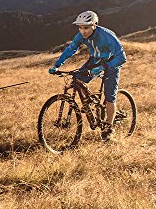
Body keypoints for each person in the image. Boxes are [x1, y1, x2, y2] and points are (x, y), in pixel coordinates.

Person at [48, 11, 126, 141]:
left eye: (86, 27)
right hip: (94, 60)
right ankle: (88, 103)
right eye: (80, 27)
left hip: (111, 63)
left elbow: (122, 57)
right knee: (77, 79)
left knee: (109, 97)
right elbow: (71, 49)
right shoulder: (81, 35)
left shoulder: (107, 36)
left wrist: (103, 68)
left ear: (94, 25)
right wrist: (56, 65)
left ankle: (109, 127)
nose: (82, 31)